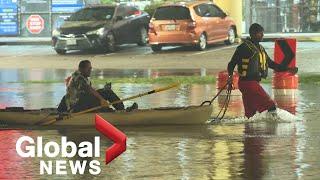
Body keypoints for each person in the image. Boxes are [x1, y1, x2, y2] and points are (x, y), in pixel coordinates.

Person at [227, 23, 298, 118]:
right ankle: (271, 131)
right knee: (271, 106)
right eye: (260, 33)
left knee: (250, 116)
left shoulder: (260, 49)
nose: (262, 35)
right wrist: (230, 78)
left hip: (250, 84)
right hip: (249, 83)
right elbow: (231, 64)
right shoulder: (243, 47)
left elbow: (271, 64)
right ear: (252, 34)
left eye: (262, 33)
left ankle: (250, 132)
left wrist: (288, 69)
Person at [58, 60, 138, 113]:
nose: (90, 70)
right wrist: (102, 99)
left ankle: (120, 110)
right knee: (103, 95)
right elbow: (89, 89)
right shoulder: (78, 77)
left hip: (80, 103)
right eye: (88, 68)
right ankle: (119, 112)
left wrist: (103, 91)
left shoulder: (80, 76)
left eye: (90, 68)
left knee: (106, 92)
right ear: (81, 69)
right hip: (76, 107)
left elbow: (89, 92)